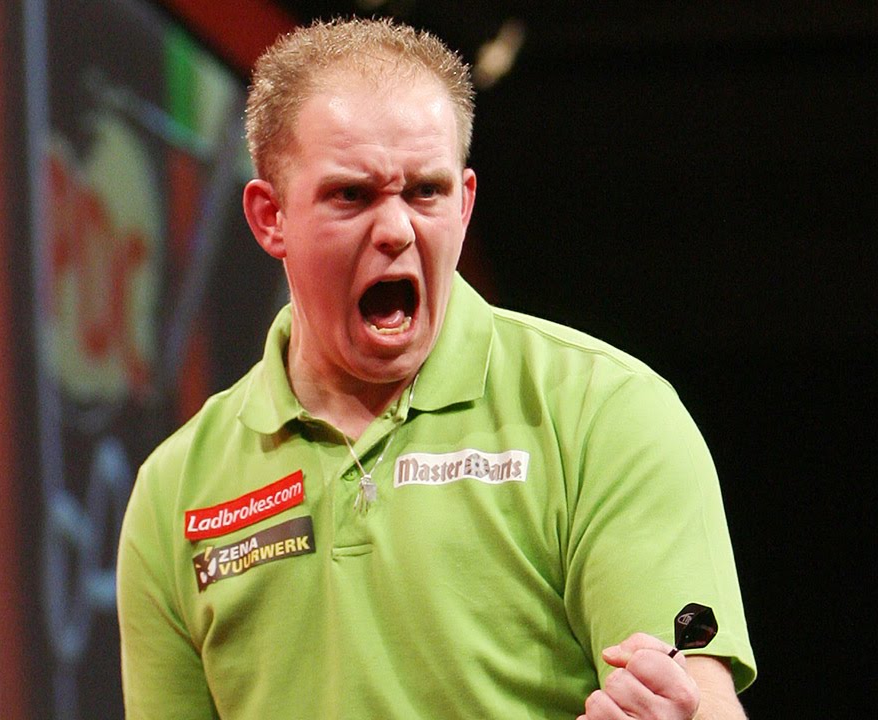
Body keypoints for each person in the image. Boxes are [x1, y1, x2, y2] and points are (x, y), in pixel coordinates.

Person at [117, 17, 755, 719]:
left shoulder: (604, 413)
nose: (396, 229)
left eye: (425, 191)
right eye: (351, 195)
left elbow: (702, 698)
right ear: (270, 217)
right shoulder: (176, 491)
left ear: (465, 202)